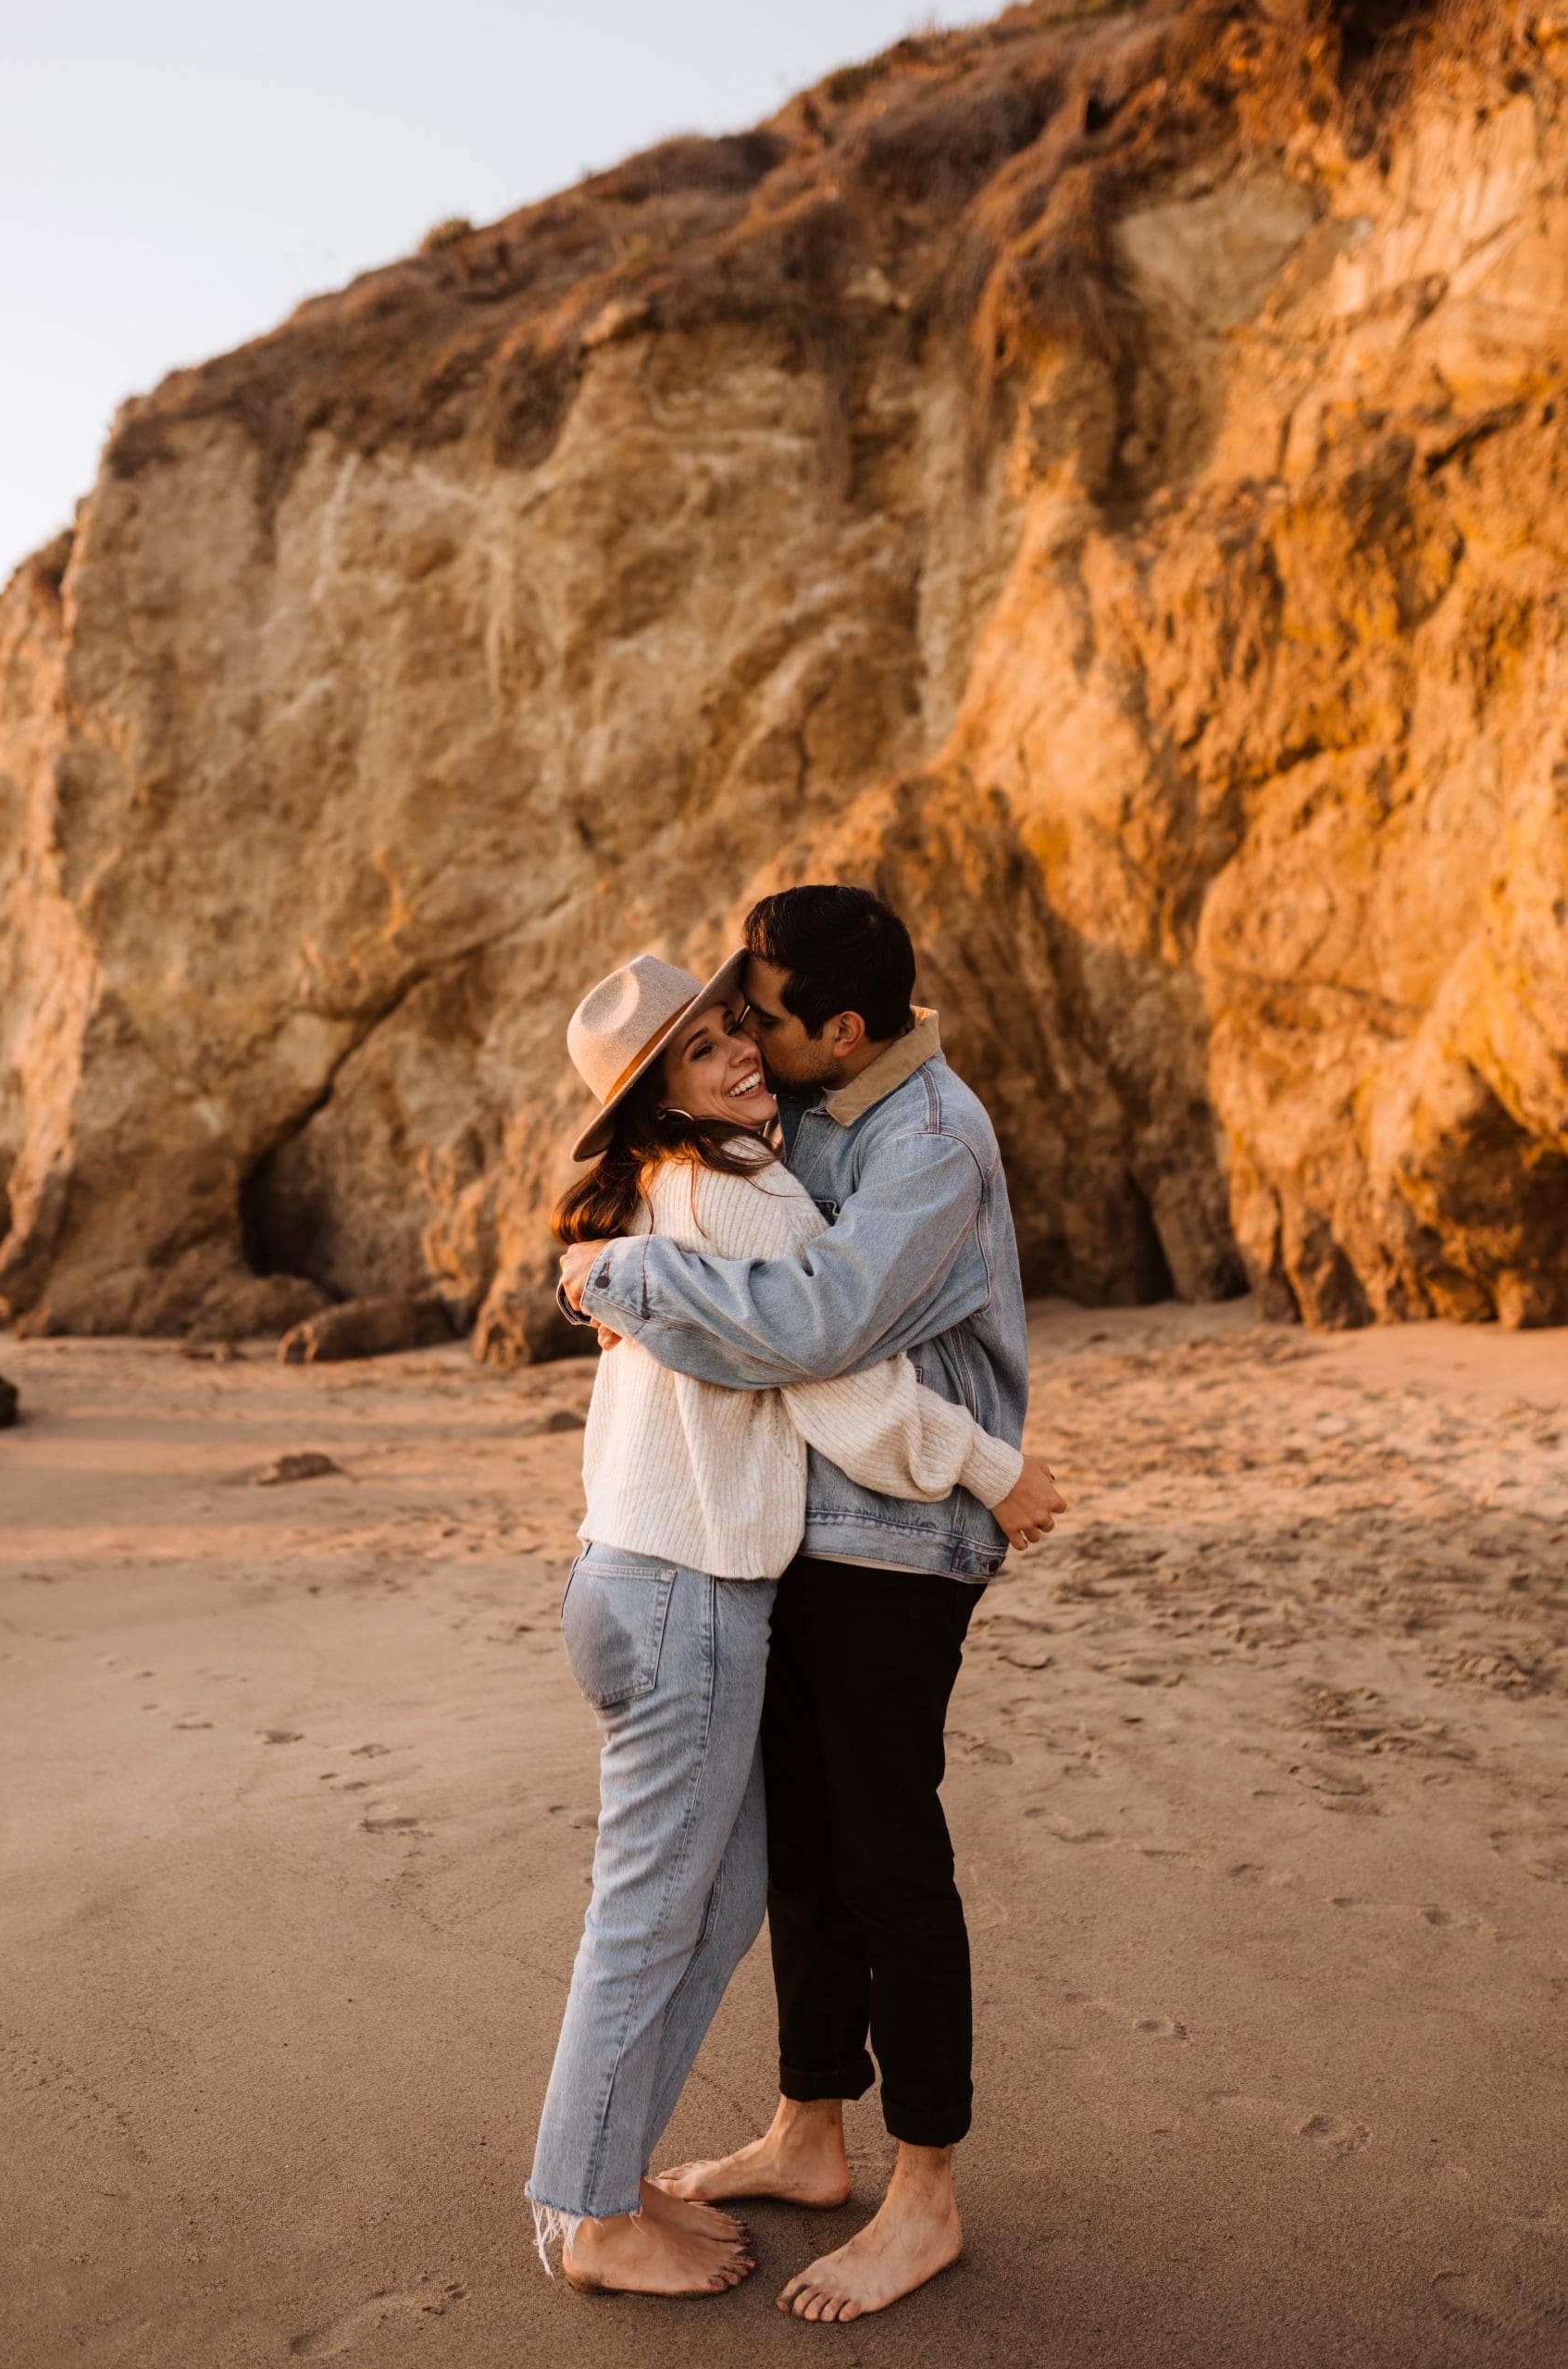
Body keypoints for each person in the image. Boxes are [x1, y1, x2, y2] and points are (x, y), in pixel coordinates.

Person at [558, 883, 1064, 2325]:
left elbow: (817, 1327)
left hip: (904, 1539)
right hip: (809, 1536)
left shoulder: (929, 1139)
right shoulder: (818, 1104)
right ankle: (809, 2130)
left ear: (840, 1029)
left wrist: (625, 1271)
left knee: (889, 1857)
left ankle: (928, 2192)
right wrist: (613, 1260)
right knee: (804, 1855)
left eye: (762, 1018)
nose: (749, 1038)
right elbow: (715, 1221)